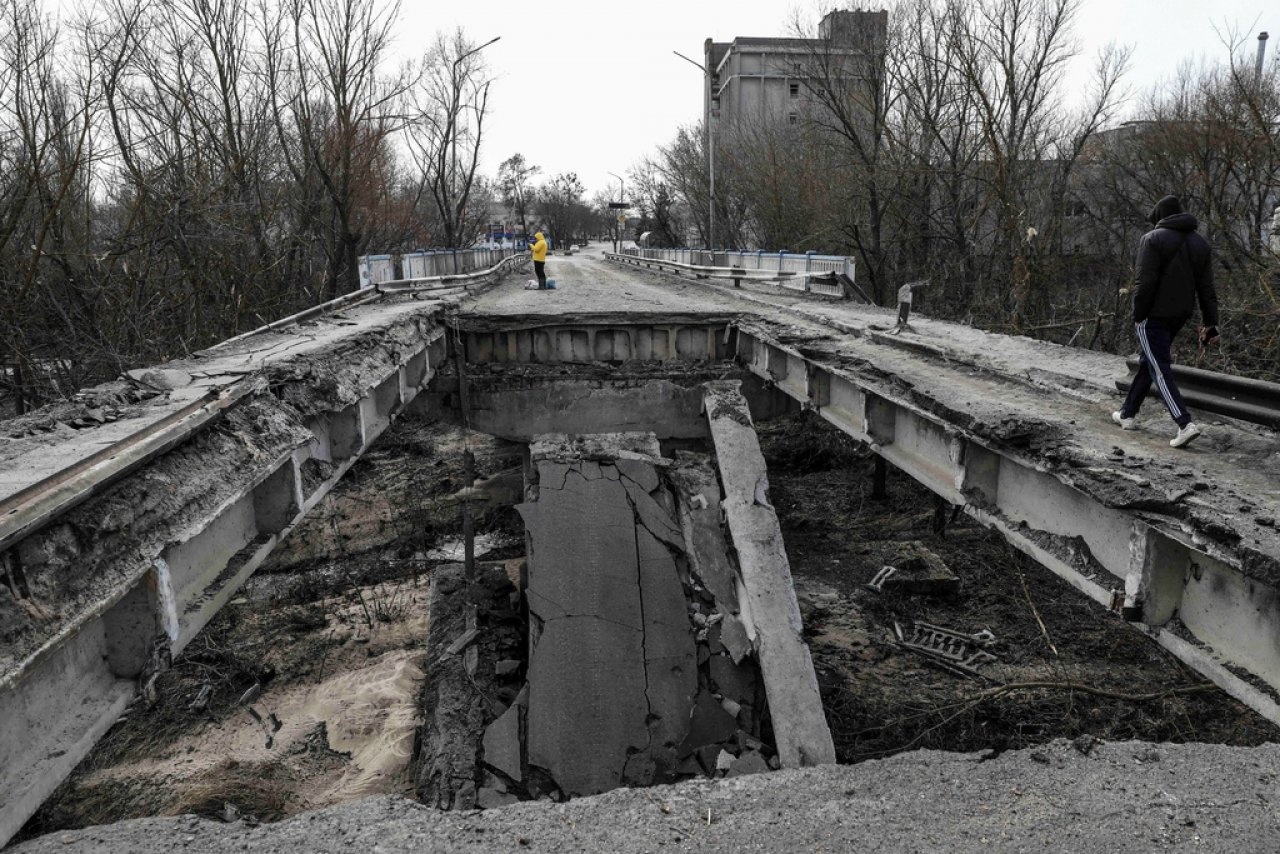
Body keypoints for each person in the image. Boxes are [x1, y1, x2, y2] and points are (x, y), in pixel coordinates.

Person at [1112, 195, 1220, 448]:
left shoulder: (1152, 239)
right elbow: (1207, 288)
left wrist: (1138, 314)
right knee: (1148, 361)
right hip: (1180, 314)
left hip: (1153, 314)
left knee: (1159, 367)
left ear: (1160, 217)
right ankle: (1127, 414)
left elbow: (1144, 282)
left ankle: (1184, 424)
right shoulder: (1200, 244)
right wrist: (1211, 323)